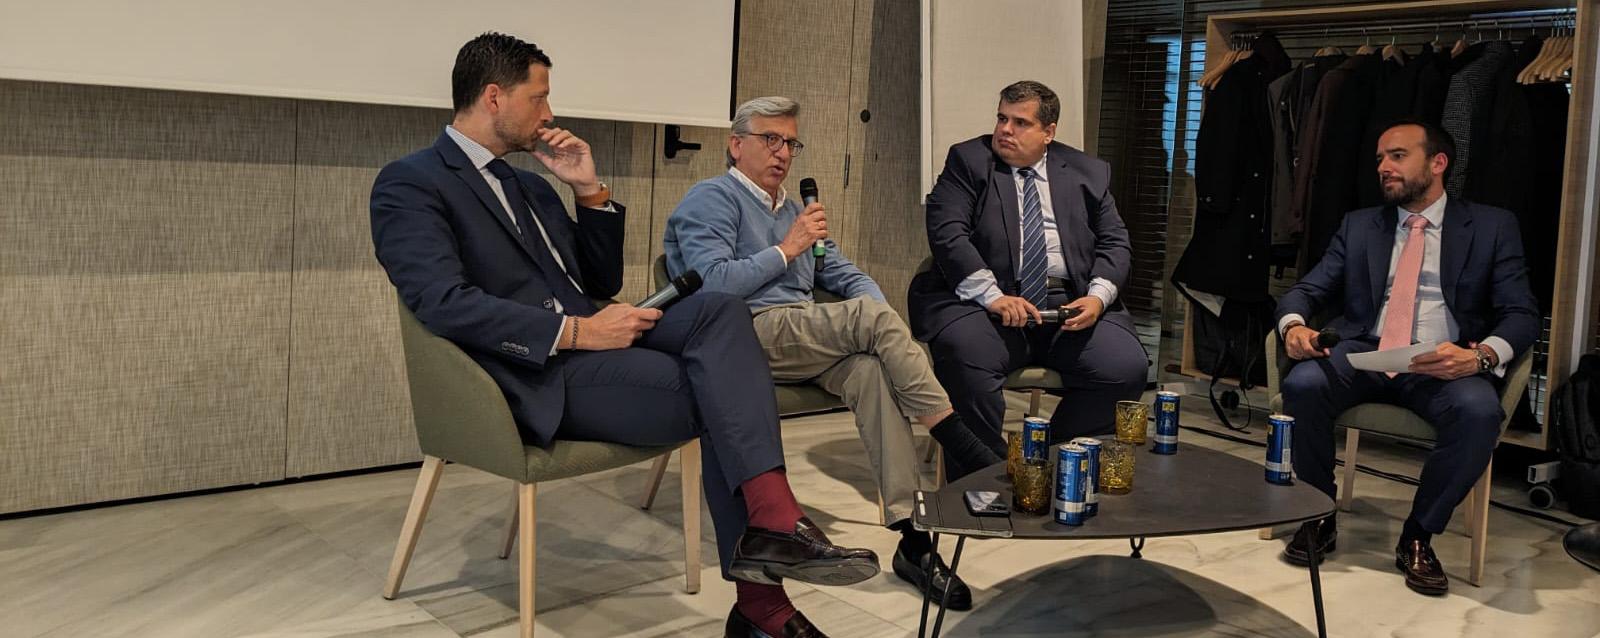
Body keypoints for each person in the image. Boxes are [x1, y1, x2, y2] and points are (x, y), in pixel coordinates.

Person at [368, 33, 877, 637]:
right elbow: (442, 303)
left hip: (597, 333)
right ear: (494, 97)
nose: (551, 113)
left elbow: (598, 278)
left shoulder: (531, 184)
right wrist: (577, 332)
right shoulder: (412, 182)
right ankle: (765, 601)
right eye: (541, 97)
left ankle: (772, 528)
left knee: (720, 312)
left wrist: (588, 190)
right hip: (534, 370)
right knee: (718, 392)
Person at [664, 96, 1001, 611]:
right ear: (736, 146)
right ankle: (963, 444)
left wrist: (879, 321)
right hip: (739, 335)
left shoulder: (796, 211)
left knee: (870, 369)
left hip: (802, 333)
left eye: (790, 143)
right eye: (769, 139)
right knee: (869, 321)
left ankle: (913, 541)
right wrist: (788, 248)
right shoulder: (710, 199)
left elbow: (845, 274)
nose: (782, 153)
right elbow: (712, 286)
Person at [1275, 118, 1540, 595]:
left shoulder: (1492, 226)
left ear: (1437, 163)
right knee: (1303, 384)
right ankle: (1318, 513)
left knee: (1479, 414)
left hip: (1442, 361)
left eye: (1397, 156)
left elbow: (1521, 314)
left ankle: (1418, 535)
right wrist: (1293, 326)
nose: (1384, 167)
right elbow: (1307, 289)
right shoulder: (1359, 226)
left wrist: (1479, 356)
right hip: (1366, 351)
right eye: (1380, 158)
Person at [908, 80, 1147, 452]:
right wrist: (993, 297)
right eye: (1001, 118)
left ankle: (1047, 458)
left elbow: (1116, 243)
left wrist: (1098, 299)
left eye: (1020, 123)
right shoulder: (968, 161)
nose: (1005, 130)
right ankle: (984, 477)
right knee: (965, 358)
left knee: (1125, 367)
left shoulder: (1089, 172)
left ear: (1048, 132)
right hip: (985, 305)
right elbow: (947, 233)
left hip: (1066, 304)